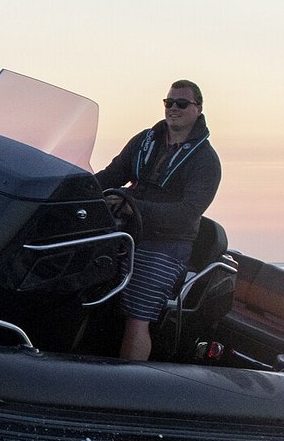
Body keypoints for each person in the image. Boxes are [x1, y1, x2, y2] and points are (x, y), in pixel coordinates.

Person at [93, 80, 222, 361]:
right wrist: (77, 187)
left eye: (182, 104)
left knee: (137, 316)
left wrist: (133, 207)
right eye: (169, 102)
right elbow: (112, 174)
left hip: (167, 246)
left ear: (198, 109)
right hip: (125, 234)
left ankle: (128, 380)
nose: (173, 108)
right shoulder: (145, 141)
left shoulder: (206, 161)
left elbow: (187, 213)